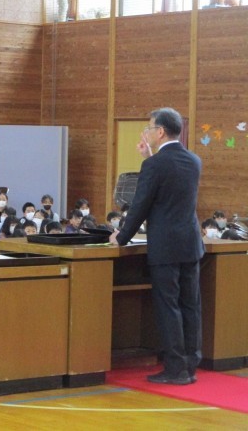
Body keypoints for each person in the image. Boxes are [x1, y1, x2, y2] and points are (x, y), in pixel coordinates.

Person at [110, 107, 203, 386]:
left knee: (169, 307)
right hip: (190, 243)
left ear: (160, 131)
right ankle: (190, 364)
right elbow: (169, 183)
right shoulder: (193, 160)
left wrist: (121, 237)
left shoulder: (154, 165)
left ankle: (175, 369)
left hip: (165, 246)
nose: (147, 133)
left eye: (149, 128)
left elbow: (141, 205)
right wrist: (149, 158)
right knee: (190, 305)